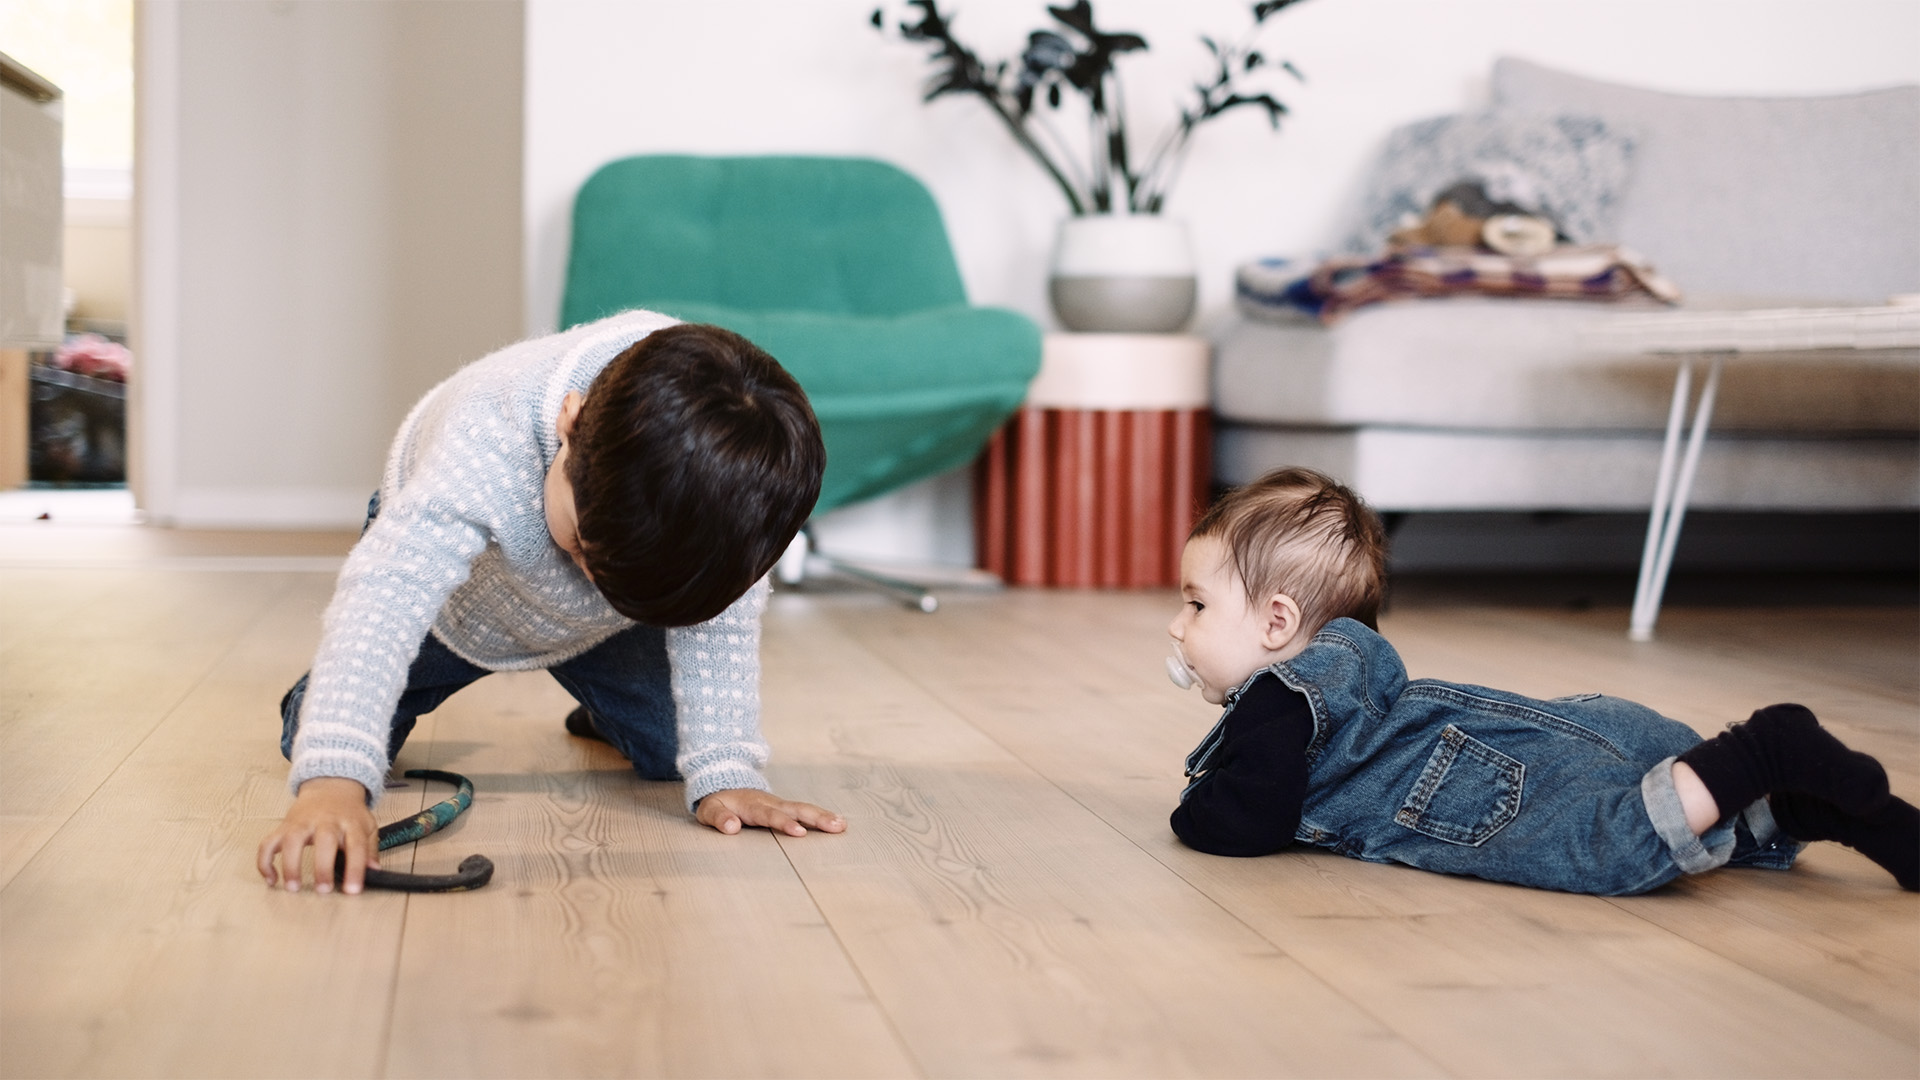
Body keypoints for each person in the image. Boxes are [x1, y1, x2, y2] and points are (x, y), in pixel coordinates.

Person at [258, 310, 845, 894]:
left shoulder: (725, 497)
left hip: (615, 618)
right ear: (571, 420)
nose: (588, 576)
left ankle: (602, 707)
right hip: (458, 600)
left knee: (677, 752)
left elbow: (719, 624)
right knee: (331, 742)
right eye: (582, 546)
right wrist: (332, 778)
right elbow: (385, 600)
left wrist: (729, 770)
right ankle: (314, 707)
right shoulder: (483, 438)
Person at [1165, 467, 1917, 895]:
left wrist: (1190, 814)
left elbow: (1244, 823)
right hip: (1580, 732)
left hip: (1506, 788)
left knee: (1612, 849)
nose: (1178, 624)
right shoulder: (1343, 679)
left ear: (1276, 623)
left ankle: (1767, 748)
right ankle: (1827, 810)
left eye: (1197, 604)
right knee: (1705, 815)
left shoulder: (1281, 697)